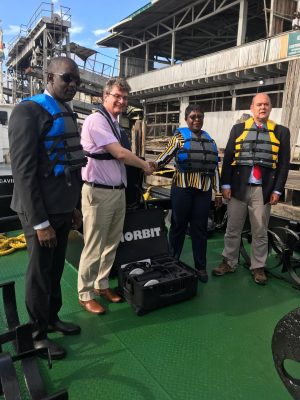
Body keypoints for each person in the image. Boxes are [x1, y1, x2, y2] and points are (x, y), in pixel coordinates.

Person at [9, 56, 86, 359]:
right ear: (49, 77)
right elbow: (24, 172)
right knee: (39, 273)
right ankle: (37, 335)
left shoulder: (66, 111)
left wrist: (74, 206)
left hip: (63, 207)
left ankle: (51, 319)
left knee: (54, 270)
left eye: (76, 81)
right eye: (67, 78)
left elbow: (72, 165)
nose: (73, 85)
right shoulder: (27, 112)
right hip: (39, 211)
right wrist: (40, 222)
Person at [77, 77, 154, 314]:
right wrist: (144, 165)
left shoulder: (113, 123)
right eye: (117, 96)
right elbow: (120, 154)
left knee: (111, 243)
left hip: (116, 192)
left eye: (125, 97)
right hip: (98, 192)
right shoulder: (96, 121)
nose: (121, 101)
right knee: (94, 244)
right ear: (105, 96)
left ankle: (101, 285)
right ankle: (85, 292)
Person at [212, 93, 290, 285]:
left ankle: (258, 267)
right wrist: (226, 185)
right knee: (232, 228)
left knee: (260, 230)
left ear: (271, 107)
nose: (262, 107)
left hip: (263, 190)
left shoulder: (281, 132)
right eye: (259, 104)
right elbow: (229, 158)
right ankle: (229, 261)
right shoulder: (238, 129)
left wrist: (278, 190)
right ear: (252, 108)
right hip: (238, 188)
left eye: (266, 104)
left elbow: (283, 165)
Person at [153, 104, 222, 283]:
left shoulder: (210, 141)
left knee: (200, 229)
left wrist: (219, 192)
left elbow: (214, 168)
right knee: (178, 227)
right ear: (186, 119)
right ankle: (172, 263)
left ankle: (200, 266)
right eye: (193, 117)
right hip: (182, 189)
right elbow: (164, 157)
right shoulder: (179, 138)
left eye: (200, 116)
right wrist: (149, 166)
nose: (196, 120)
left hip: (203, 191)